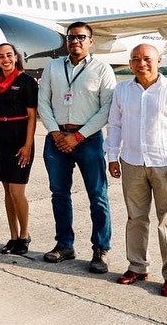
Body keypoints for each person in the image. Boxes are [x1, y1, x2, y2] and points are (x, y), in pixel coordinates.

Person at [106, 44, 167, 298]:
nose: (141, 63)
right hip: (132, 162)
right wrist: (112, 157)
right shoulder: (122, 90)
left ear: (159, 61)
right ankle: (137, 267)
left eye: (147, 58)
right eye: (135, 59)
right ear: (130, 63)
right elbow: (114, 125)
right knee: (135, 217)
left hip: (166, 165)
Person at [38, 21, 116, 273]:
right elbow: (43, 102)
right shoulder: (53, 66)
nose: (75, 41)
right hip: (57, 137)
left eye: (81, 37)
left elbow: (107, 108)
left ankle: (100, 249)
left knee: (98, 195)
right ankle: (64, 245)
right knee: (59, 194)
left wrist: (79, 136)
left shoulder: (102, 69)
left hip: (88, 139)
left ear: (91, 41)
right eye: (71, 37)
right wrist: (55, 133)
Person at [0, 43, 38, 255]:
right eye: (1, 56)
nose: (5, 59)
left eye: (9, 55)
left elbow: (32, 116)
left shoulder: (27, 82)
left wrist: (28, 145)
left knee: (18, 191)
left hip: (20, 138)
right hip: (1, 136)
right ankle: (13, 236)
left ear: (16, 57)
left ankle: (25, 235)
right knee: (7, 191)